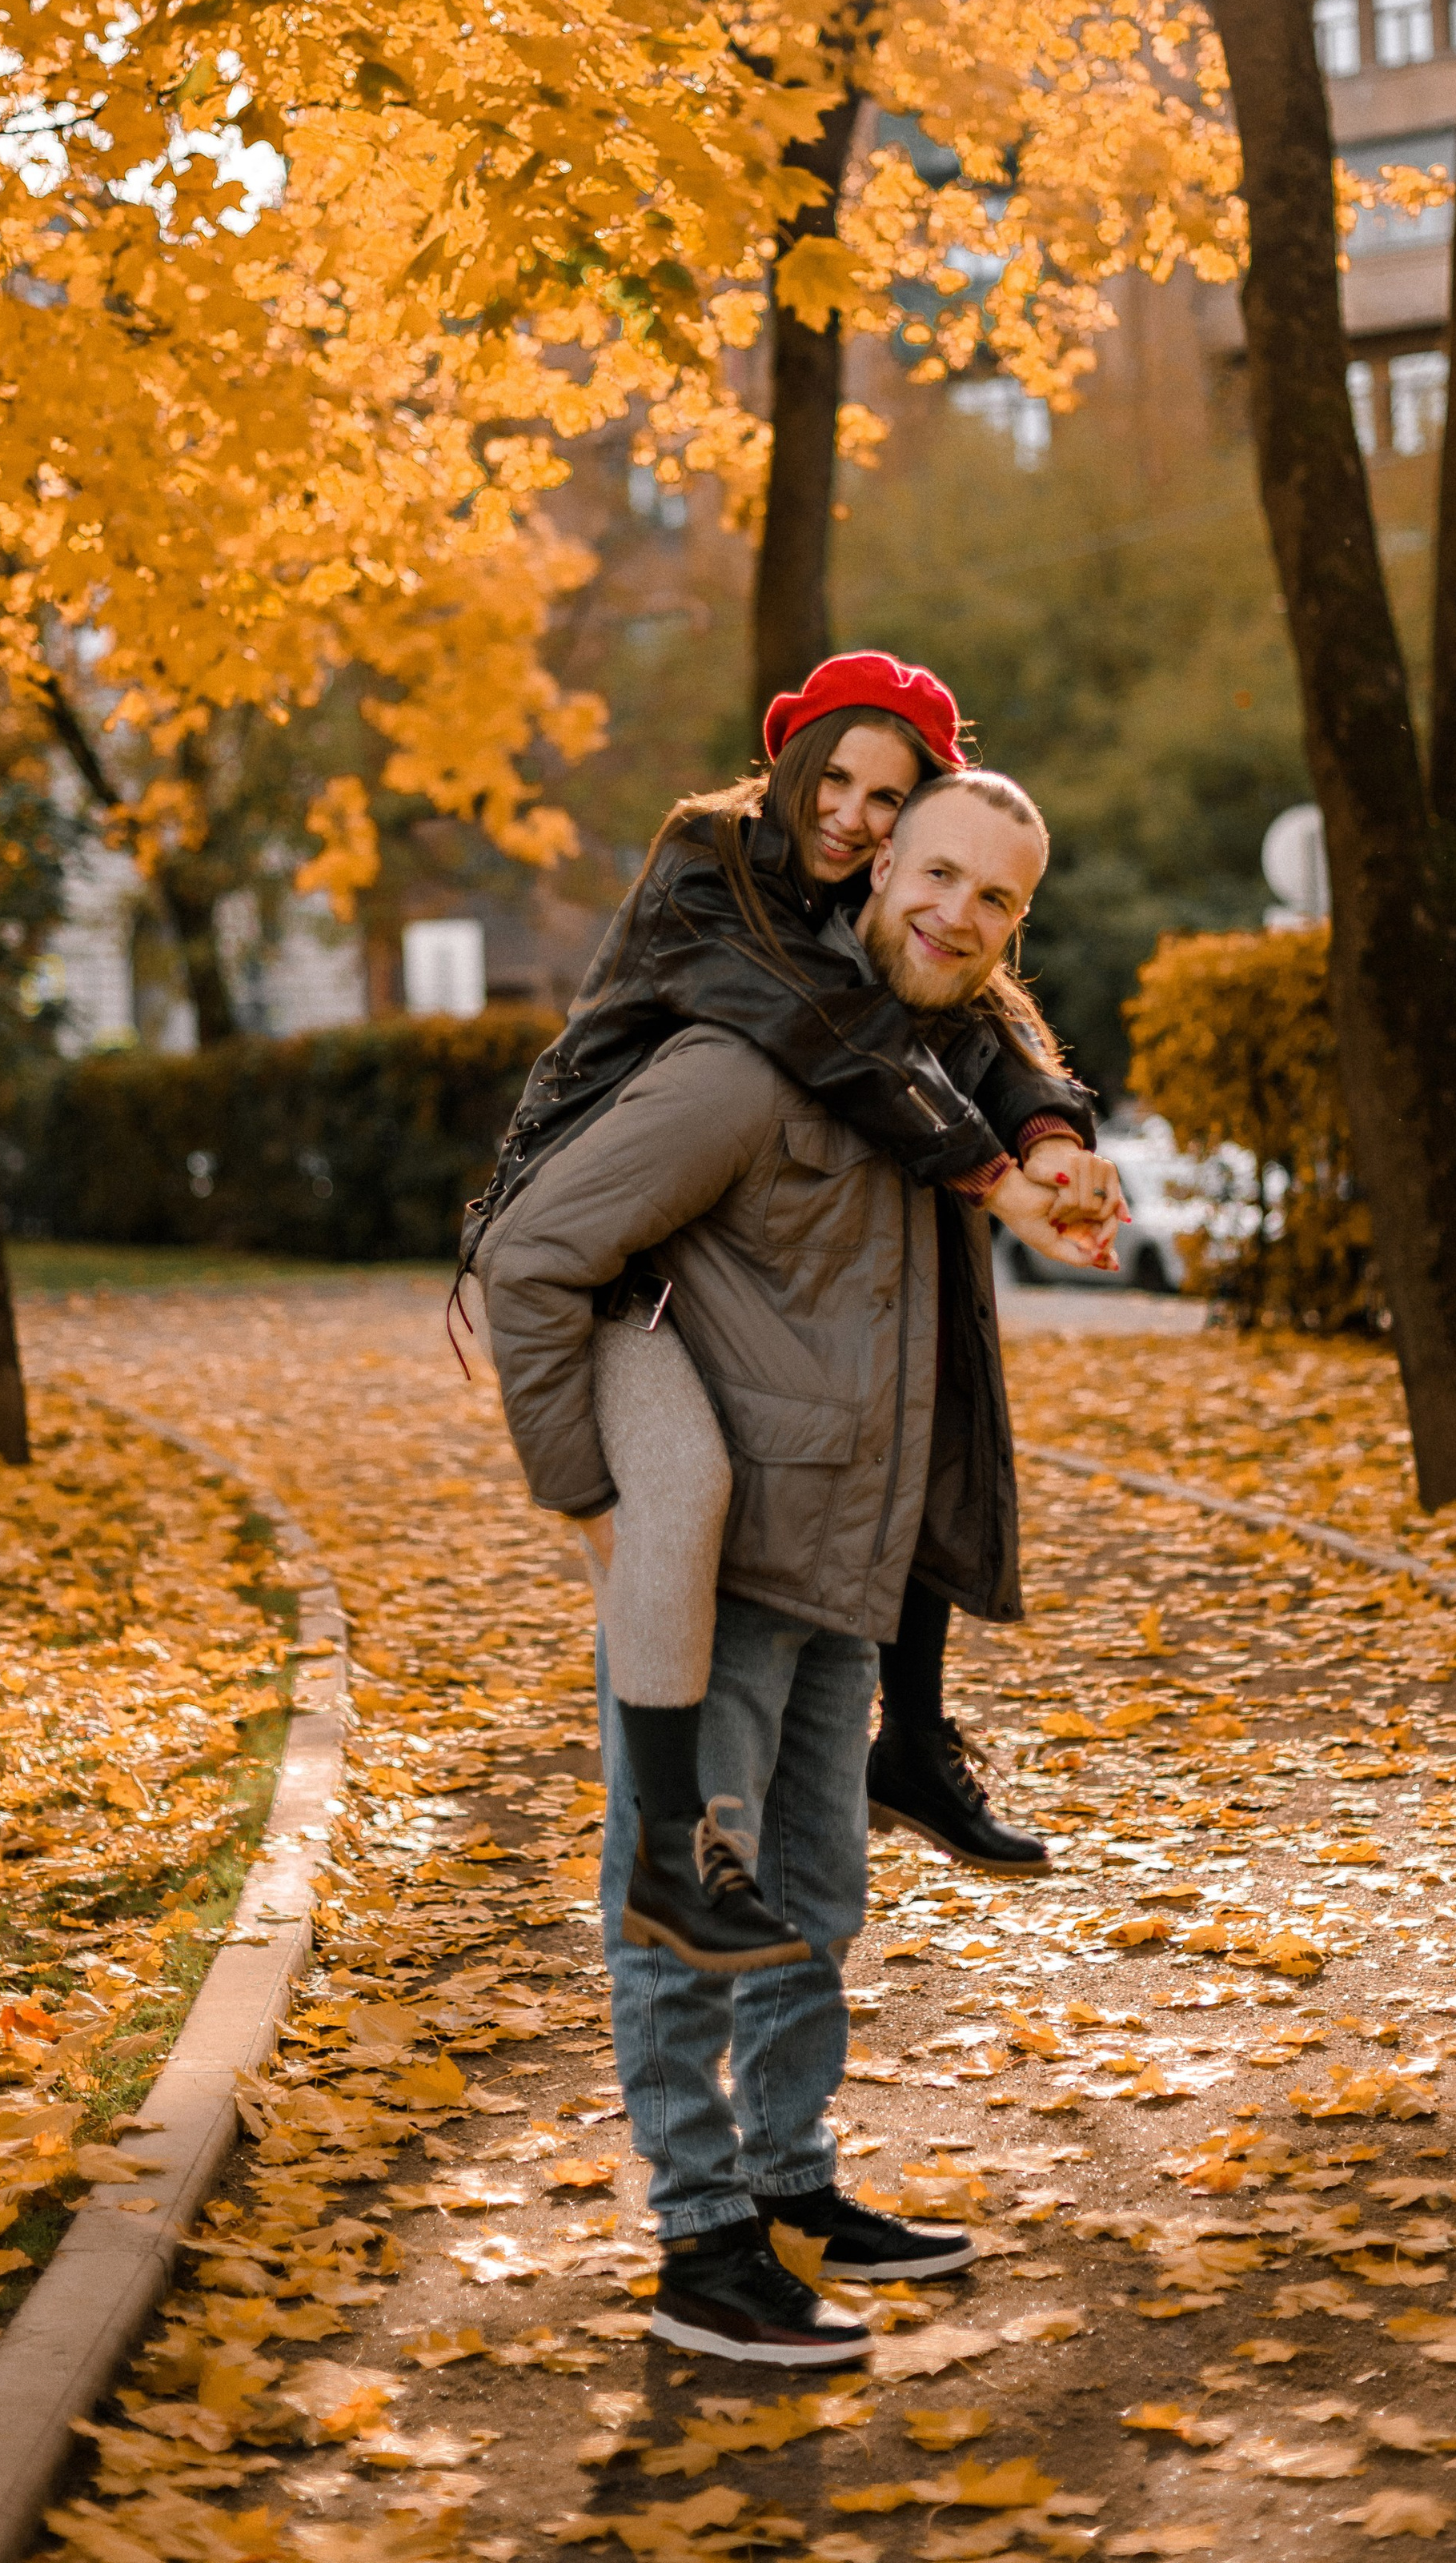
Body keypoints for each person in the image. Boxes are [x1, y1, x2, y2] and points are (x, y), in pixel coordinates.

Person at [479, 771, 1061, 2364]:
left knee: (815, 1901)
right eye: (934, 875)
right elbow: (532, 1256)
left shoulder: (918, 1089)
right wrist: (591, 1496)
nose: (955, 914)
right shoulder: (741, 1069)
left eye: (996, 898)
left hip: (843, 1572)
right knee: (681, 1909)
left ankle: (791, 2185)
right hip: (718, 1581)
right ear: (876, 870)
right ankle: (700, 2243)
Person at [461, 652, 1122, 1903]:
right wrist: (992, 1176)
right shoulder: (708, 867)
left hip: (711, 1231)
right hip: (610, 1244)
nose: (852, 816)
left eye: (889, 799)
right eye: (837, 780)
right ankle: (672, 1841)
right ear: (788, 761)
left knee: (919, 1372)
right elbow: (832, 1028)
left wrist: (1051, 1135)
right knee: (679, 1495)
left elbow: (989, 1018)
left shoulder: (863, 908)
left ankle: (910, 1739)